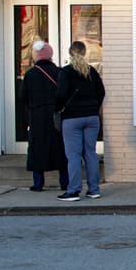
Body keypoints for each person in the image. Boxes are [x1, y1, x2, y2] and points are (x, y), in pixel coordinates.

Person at [54, 40, 105, 201]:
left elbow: (61, 95)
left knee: (74, 155)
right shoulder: (92, 71)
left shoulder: (66, 72)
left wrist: (59, 108)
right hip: (91, 116)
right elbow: (101, 92)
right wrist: (94, 106)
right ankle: (93, 189)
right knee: (90, 153)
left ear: (70, 53)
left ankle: (74, 190)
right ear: (84, 53)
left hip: (72, 117)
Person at [22, 39, 67, 192]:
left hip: (37, 116)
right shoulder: (60, 72)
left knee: (37, 149)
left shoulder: (30, 75)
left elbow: (23, 98)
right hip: (57, 116)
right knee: (60, 149)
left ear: (37, 56)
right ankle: (64, 182)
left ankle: (38, 183)